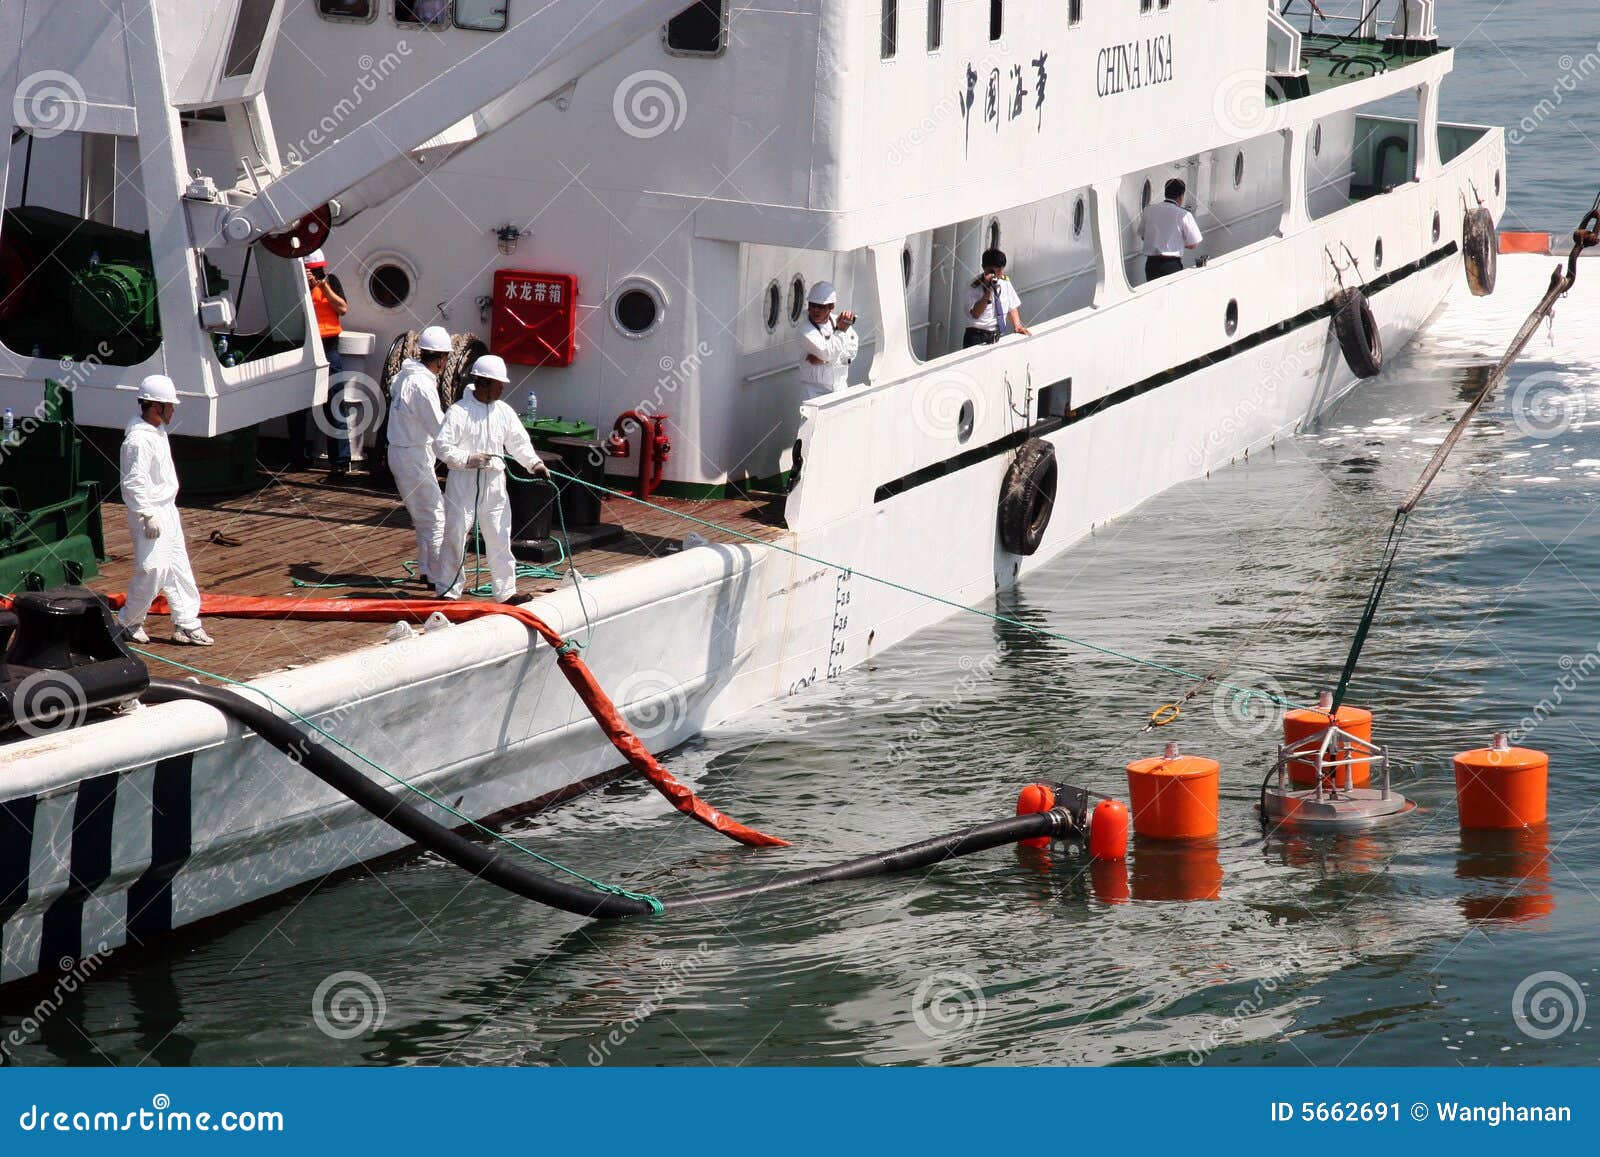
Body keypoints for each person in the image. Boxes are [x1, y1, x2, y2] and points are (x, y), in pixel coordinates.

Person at [433, 355, 549, 604]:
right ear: (485, 382)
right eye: (499, 383)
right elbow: (441, 446)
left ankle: (505, 592)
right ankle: (448, 591)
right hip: (463, 482)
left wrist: (534, 463)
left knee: (499, 535)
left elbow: (518, 443)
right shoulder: (459, 412)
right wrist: (467, 458)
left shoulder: (503, 412)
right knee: (455, 534)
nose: (502, 388)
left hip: (495, 482)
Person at [115, 375, 213, 646]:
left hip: (166, 509)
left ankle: (187, 624)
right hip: (150, 512)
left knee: (178, 568)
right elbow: (134, 481)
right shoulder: (137, 440)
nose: (174, 410)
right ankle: (128, 621)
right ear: (157, 407)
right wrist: (146, 514)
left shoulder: (155, 430)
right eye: (170, 406)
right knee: (153, 569)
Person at [386, 325, 451, 589]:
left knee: (423, 517)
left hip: (400, 452)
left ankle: (425, 570)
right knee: (436, 517)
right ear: (441, 359)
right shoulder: (423, 386)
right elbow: (439, 429)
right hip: (412, 456)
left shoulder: (404, 375)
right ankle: (440, 579)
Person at [286, 250, 351, 475]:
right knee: (296, 407)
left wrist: (322, 286)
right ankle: (297, 458)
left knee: (335, 404)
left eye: (318, 270)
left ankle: (341, 462)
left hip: (328, 347)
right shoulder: (293, 286)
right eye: (312, 271)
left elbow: (342, 308)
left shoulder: (330, 282)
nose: (315, 274)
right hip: (301, 347)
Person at [798, 281, 859, 400]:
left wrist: (826, 361)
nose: (815, 310)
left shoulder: (839, 321)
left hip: (840, 390)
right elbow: (828, 352)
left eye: (820, 306)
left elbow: (852, 351)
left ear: (831, 306)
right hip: (814, 393)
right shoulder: (805, 329)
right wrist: (840, 331)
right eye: (812, 305)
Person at [964, 248, 1031, 347]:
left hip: (997, 335)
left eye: (1000, 269)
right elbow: (975, 314)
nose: (998, 274)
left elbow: (1012, 306)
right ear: (984, 268)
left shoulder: (1005, 282)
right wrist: (988, 290)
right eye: (994, 270)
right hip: (977, 337)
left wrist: (1017, 325)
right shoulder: (973, 287)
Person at [1139, 178, 1203, 282]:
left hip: (1151, 265)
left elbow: (1143, 236)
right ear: (1181, 196)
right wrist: (1176, 243)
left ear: (1165, 193)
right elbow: (1194, 244)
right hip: (1171, 265)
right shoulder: (1183, 214)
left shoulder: (1149, 210)